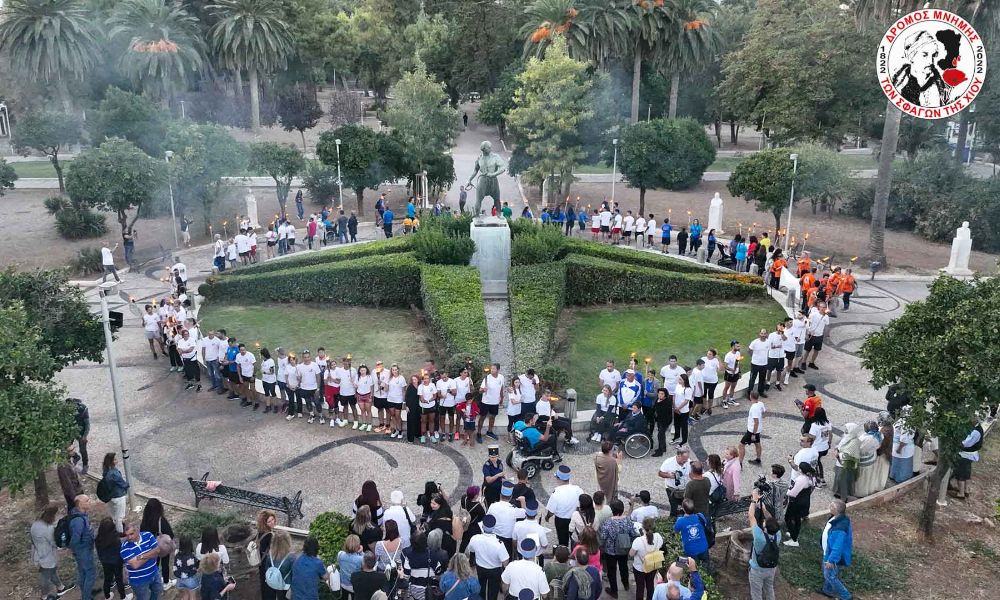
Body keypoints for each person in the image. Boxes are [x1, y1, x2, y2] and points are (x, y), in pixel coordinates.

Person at [32, 504, 72, 600]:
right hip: (47, 556)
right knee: (45, 577)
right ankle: (44, 597)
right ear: (52, 516)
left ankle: (60, 588)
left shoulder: (35, 524)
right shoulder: (48, 529)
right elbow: (54, 543)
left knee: (52, 571)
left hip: (37, 553)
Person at [746, 488, 781, 600]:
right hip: (771, 568)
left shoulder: (759, 537)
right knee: (769, 588)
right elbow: (771, 519)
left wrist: (754, 500)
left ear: (765, 528)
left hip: (757, 569)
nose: (764, 522)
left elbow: (751, 516)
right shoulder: (778, 534)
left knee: (756, 593)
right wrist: (764, 509)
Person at [466, 514, 509, 600]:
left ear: (482, 526)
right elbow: (505, 562)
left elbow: (470, 550)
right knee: (493, 591)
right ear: (494, 527)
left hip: (480, 567)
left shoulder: (475, 538)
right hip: (495, 570)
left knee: (481, 587)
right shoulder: (499, 544)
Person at [599, 499, 634, 598]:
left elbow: (603, 537)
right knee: (624, 567)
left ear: (611, 510)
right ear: (622, 509)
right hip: (623, 549)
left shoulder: (608, 523)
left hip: (610, 552)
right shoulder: (627, 520)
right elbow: (632, 534)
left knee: (611, 571)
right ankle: (626, 584)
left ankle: (614, 591)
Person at [121, 519, 162, 600]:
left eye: (131, 534)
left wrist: (141, 557)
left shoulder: (148, 535)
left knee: (157, 592)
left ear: (138, 531)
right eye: (127, 535)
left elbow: (157, 551)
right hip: (139, 581)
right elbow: (135, 565)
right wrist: (151, 553)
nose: (129, 537)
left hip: (154, 573)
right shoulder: (124, 548)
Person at [821, 500, 853, 600]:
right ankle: (827, 590)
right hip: (828, 552)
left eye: (831, 506)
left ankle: (846, 596)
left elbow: (837, 546)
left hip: (831, 555)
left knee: (830, 576)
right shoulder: (839, 518)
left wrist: (831, 560)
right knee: (828, 573)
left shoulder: (840, 528)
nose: (829, 507)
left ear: (836, 510)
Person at [545, 466, 584, 547]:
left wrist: (547, 517)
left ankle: (563, 555)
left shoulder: (556, 493)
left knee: (563, 541)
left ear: (558, 478)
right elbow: (582, 504)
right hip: (574, 518)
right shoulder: (578, 489)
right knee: (575, 538)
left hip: (561, 521)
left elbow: (551, 511)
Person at [140, 499, 174, 588]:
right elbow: (170, 534)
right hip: (162, 547)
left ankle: (154, 582)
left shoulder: (144, 521)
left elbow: (142, 535)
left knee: (154, 565)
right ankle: (166, 583)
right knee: (165, 563)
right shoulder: (161, 520)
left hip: (151, 549)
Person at [783, 462, 817, 547]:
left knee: (788, 518)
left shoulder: (801, 479)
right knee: (797, 519)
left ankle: (794, 539)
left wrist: (787, 491)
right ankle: (793, 533)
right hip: (804, 501)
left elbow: (793, 493)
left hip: (796, 502)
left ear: (801, 470)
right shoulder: (812, 477)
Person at [630, 517, 663, 600]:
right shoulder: (659, 536)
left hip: (639, 568)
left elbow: (631, 554)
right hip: (653, 565)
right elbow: (660, 546)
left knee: (640, 588)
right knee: (650, 585)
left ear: (643, 527)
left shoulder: (638, 540)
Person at [672, 499, 710, 572]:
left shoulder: (680, 521)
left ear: (683, 509)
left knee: (688, 567)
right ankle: (708, 576)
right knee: (706, 566)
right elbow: (704, 524)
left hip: (690, 550)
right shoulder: (700, 516)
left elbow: (675, 531)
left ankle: (685, 575)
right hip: (704, 547)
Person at [951, 421, 984, 499]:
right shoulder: (976, 428)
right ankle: (966, 491)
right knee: (966, 473)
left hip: (966, 454)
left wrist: (955, 442)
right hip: (969, 455)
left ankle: (961, 493)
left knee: (961, 473)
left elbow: (966, 443)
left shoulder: (976, 431)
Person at [512, 499, 548, 565]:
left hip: (521, 554)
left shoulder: (517, 525)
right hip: (535, 556)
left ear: (526, 512)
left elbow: (514, 541)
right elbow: (544, 545)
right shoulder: (540, 529)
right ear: (536, 514)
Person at [832, 423, 862, 500]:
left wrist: (838, 454)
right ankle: (838, 492)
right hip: (840, 462)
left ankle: (844, 497)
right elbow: (840, 445)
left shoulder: (855, 442)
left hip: (847, 464)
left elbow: (849, 455)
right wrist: (836, 449)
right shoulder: (847, 437)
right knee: (838, 478)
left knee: (844, 480)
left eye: (847, 429)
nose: (845, 430)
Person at [101, 452, 129, 531]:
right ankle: (119, 532)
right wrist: (127, 485)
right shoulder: (114, 472)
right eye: (115, 459)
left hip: (110, 496)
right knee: (120, 517)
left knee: (113, 515)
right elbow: (121, 483)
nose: (117, 460)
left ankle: (113, 529)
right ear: (112, 461)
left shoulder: (105, 471)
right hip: (118, 496)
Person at [658, 449, 690, 517]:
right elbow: (660, 473)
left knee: (686, 507)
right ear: (679, 456)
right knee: (674, 507)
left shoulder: (689, 462)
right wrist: (668, 475)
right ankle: (672, 521)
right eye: (684, 460)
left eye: (687, 459)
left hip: (685, 490)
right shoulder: (668, 462)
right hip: (672, 490)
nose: (686, 461)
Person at [478, 363, 506, 442]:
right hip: (485, 402)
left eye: (493, 368)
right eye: (491, 368)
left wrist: (501, 398)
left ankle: (489, 432)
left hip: (495, 402)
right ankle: (479, 433)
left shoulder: (501, 377)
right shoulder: (487, 378)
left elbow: (501, 388)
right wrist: (483, 390)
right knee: (482, 418)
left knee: (492, 417)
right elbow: (480, 391)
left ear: (498, 370)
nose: (492, 370)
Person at [890, 409, 916, 483]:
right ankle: (898, 477)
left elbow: (904, 439)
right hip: (901, 446)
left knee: (901, 463)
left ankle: (899, 478)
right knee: (900, 463)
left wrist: (899, 449)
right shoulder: (907, 421)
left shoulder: (906, 423)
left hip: (903, 447)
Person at [739, 392, 765, 465]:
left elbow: (756, 422)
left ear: (751, 397)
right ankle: (758, 459)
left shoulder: (754, 408)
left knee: (741, 445)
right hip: (757, 430)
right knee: (757, 443)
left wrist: (753, 434)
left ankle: (740, 463)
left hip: (752, 431)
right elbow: (764, 411)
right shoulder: (761, 403)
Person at [173, 535, 200, 600]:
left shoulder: (176, 553)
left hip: (180, 579)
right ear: (190, 544)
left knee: (185, 595)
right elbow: (196, 566)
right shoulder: (192, 556)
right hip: (190, 579)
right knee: (192, 596)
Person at [338, 535, 364, 600]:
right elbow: (366, 566)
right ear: (357, 545)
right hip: (355, 586)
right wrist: (361, 552)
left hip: (343, 584)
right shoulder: (360, 559)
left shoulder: (340, 554)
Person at [747, 329, 769, 399]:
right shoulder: (755, 342)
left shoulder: (768, 342)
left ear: (766, 334)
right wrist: (754, 357)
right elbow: (749, 350)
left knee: (762, 379)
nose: (763, 335)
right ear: (759, 334)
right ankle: (749, 394)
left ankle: (761, 391)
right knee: (752, 379)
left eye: (764, 333)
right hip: (755, 364)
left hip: (764, 364)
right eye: (762, 333)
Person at [671, 373, 692, 447]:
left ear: (684, 380)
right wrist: (674, 406)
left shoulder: (688, 389)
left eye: (680, 379)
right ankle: (676, 437)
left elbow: (686, 401)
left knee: (683, 426)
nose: (678, 380)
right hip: (676, 409)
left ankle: (684, 440)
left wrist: (678, 408)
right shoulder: (677, 386)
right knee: (676, 424)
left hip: (683, 411)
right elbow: (674, 396)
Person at [651, 388, 673, 457]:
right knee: (662, 435)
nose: (660, 395)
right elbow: (654, 408)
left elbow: (663, 413)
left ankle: (660, 452)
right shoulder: (657, 400)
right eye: (659, 393)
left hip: (665, 421)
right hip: (659, 420)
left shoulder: (667, 402)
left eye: (662, 394)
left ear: (665, 395)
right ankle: (663, 448)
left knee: (660, 435)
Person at [406, 375, 423, 443]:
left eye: (415, 379)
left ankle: (417, 434)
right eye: (413, 379)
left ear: (418, 379)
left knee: (418, 421)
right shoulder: (410, 387)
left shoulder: (420, 386)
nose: (414, 381)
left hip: (419, 406)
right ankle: (410, 438)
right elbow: (407, 397)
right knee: (411, 422)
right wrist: (407, 406)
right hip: (411, 406)